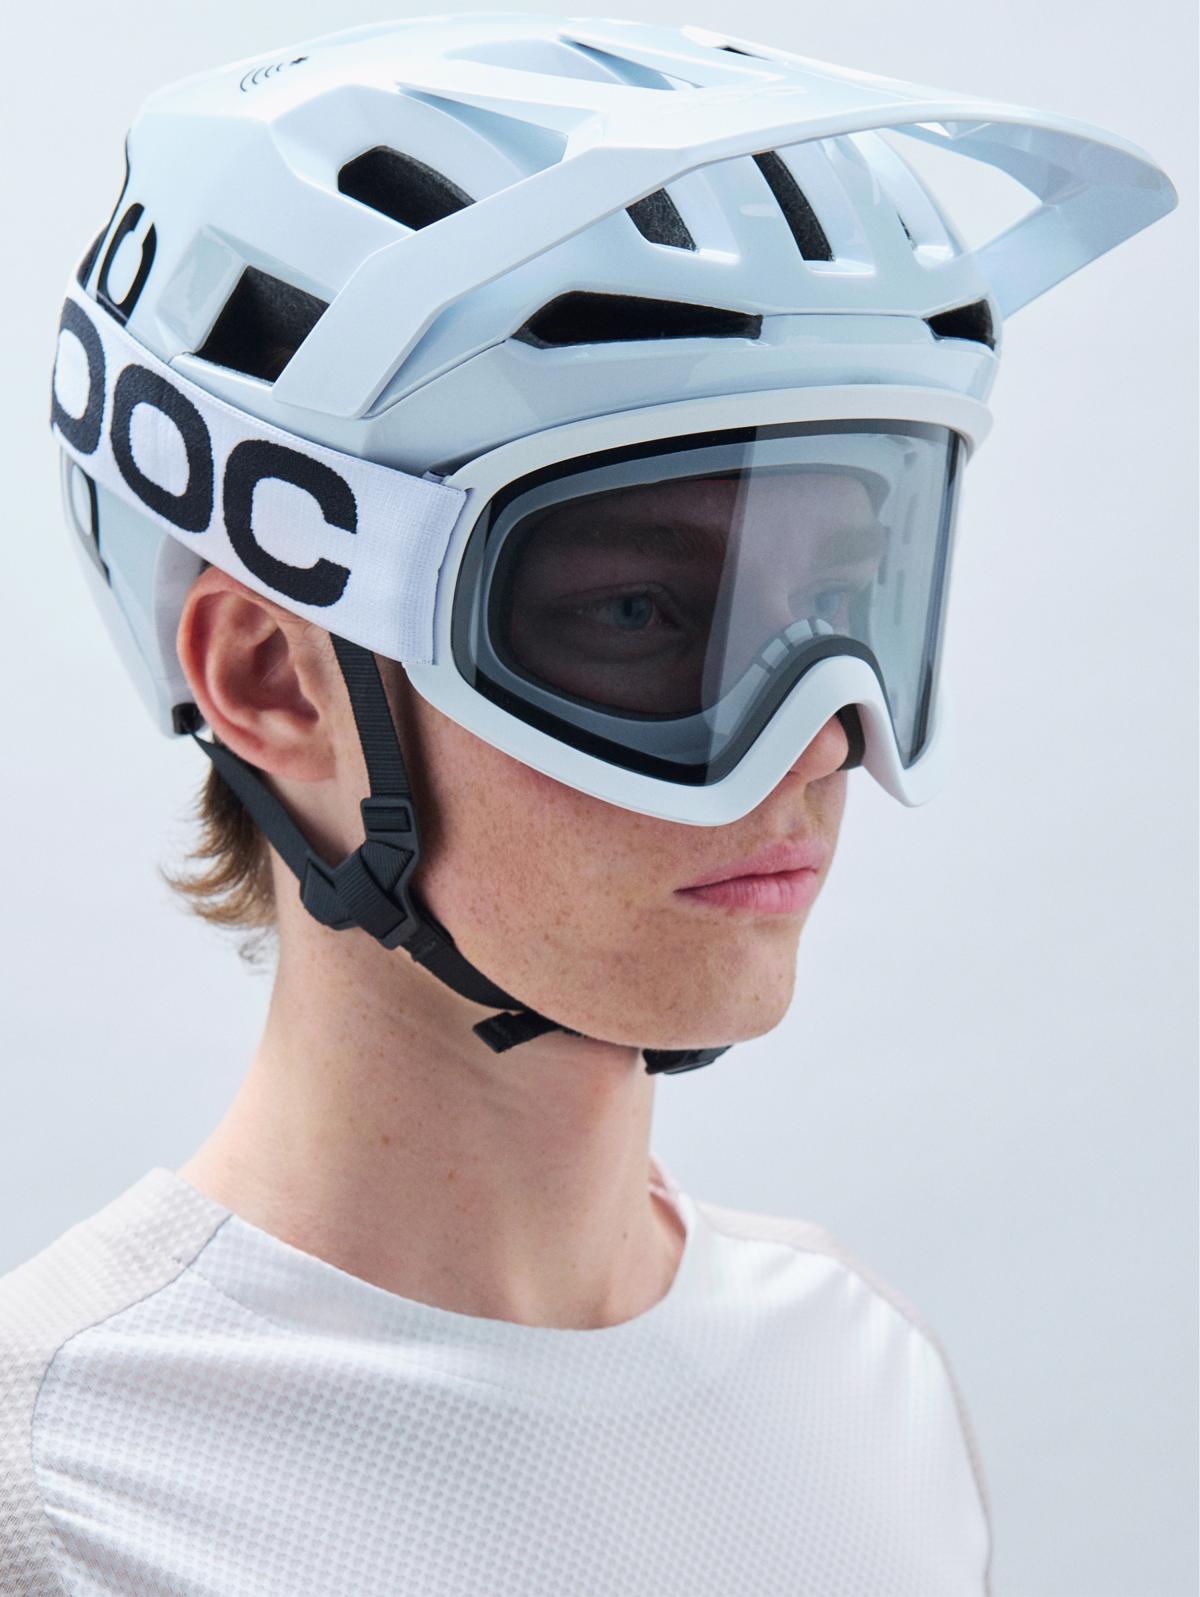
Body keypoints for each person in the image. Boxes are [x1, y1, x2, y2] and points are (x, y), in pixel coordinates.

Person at [0, 15, 1176, 1595]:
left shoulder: (861, 1380)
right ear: (274, 679)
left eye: (845, 605)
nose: (818, 746)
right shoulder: (58, 1492)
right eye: (639, 613)